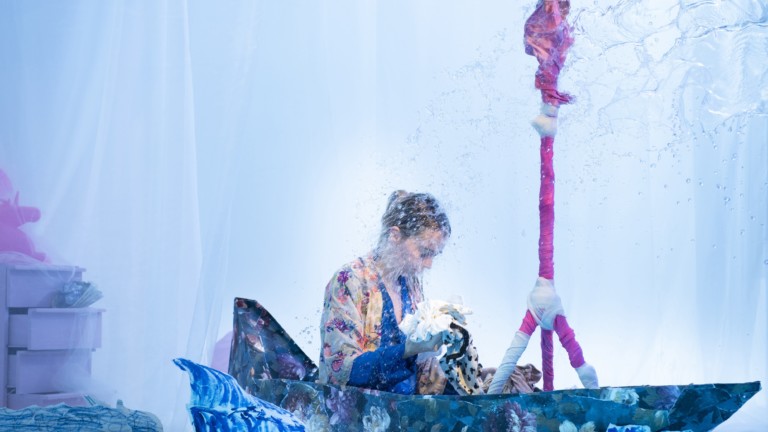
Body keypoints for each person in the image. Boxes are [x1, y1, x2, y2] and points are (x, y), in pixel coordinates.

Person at [318, 190, 452, 395]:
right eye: (424, 252)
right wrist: (409, 349)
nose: (429, 264)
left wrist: (458, 375)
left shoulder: (411, 285)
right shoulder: (350, 281)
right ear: (395, 236)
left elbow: (416, 371)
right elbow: (341, 370)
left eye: (434, 255)